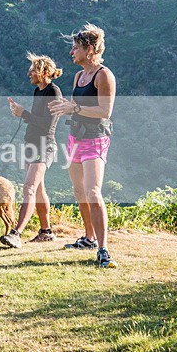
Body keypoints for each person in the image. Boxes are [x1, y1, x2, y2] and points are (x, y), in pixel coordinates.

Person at [48, 24, 117, 268]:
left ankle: (103, 249)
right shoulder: (79, 76)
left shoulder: (103, 75)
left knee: (93, 192)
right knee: (79, 191)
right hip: (75, 137)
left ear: (89, 50)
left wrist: (74, 108)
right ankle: (88, 237)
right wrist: (65, 106)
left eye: (75, 48)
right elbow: (76, 106)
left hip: (95, 139)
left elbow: (104, 111)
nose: (71, 53)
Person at [1, 53, 63, 248]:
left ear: (44, 72)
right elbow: (37, 119)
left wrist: (23, 113)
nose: (28, 73)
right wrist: (21, 113)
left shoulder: (54, 92)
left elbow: (47, 125)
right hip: (32, 144)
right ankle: (46, 232)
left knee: (28, 188)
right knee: (38, 189)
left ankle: (16, 234)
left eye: (32, 69)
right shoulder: (39, 91)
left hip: (43, 146)